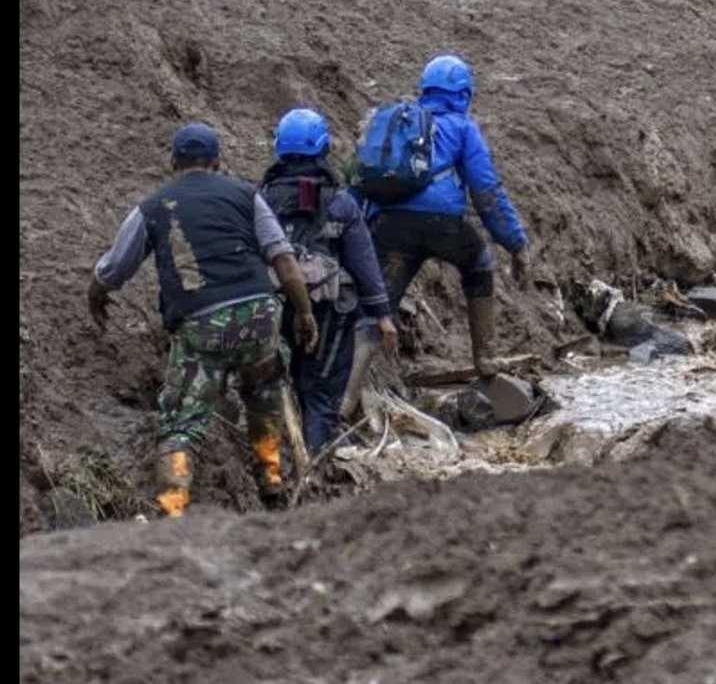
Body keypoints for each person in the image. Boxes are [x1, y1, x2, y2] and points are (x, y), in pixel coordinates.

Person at [87, 123, 319, 517]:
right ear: (217, 162)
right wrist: (304, 312)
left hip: (202, 322)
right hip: (260, 313)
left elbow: (114, 268)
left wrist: (96, 297)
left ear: (173, 162)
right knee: (264, 395)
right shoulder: (247, 197)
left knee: (182, 422)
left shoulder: (153, 207)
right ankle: (272, 478)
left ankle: (174, 506)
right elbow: (284, 261)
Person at [370, 54, 531, 379]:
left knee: (379, 303)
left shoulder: (400, 122)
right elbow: (487, 193)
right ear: (464, 94)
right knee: (479, 262)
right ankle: (485, 358)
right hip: (443, 224)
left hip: (392, 224)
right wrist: (516, 243)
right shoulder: (462, 128)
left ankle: (355, 389)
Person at [261, 108, 398, 452]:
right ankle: (317, 469)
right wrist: (382, 314)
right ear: (323, 147)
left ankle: (280, 463)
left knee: (272, 387)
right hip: (330, 313)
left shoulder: (260, 200)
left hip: (273, 308)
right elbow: (363, 261)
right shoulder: (341, 204)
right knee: (321, 393)